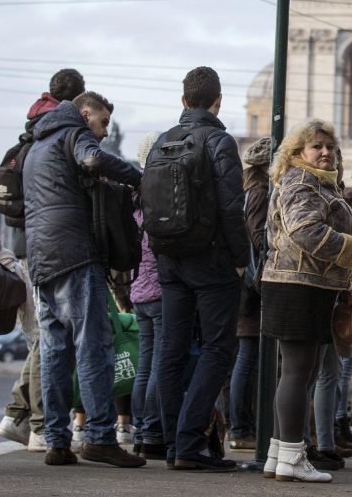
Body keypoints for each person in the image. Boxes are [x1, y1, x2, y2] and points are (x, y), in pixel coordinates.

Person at [260, 119, 352, 482]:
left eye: (330, 147)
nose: (326, 152)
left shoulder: (319, 184)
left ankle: (278, 454)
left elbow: (326, 227)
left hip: (309, 284)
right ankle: (292, 458)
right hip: (298, 284)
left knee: (301, 373)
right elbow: (305, 231)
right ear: (298, 152)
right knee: (299, 372)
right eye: (317, 146)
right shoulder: (301, 181)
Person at [25, 91, 144, 468]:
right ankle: (100, 437)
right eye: (103, 122)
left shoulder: (36, 146)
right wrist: (139, 177)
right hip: (76, 254)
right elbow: (93, 160)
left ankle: (57, 442)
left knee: (55, 352)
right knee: (94, 346)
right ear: (86, 112)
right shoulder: (75, 133)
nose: (104, 132)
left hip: (41, 260)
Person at [152, 66, 249, 472]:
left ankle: (174, 444)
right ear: (218, 101)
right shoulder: (220, 141)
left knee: (170, 351)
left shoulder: (162, 141)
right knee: (218, 349)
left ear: (183, 101)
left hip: (170, 258)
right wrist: (242, 259)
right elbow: (231, 208)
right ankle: (191, 443)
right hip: (211, 263)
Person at [0, 67, 85, 453]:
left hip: (23, 247)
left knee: (41, 337)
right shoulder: (58, 135)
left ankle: (17, 415)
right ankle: (37, 423)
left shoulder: (28, 134)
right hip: (51, 246)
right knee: (47, 340)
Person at [229, 135, 273, 451]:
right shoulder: (258, 193)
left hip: (247, 287)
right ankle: (240, 428)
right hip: (252, 290)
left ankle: (243, 426)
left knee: (248, 359)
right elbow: (259, 238)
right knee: (247, 358)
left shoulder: (249, 190)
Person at [130, 132, 166, 459]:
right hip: (159, 289)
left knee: (145, 364)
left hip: (138, 288)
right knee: (159, 363)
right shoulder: (159, 189)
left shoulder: (132, 191)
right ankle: (153, 431)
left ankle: (140, 430)